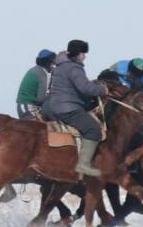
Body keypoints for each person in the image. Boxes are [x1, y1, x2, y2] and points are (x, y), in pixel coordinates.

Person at [43, 39, 108, 177]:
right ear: (77, 54)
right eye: (82, 53)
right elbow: (85, 88)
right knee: (93, 129)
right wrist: (103, 90)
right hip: (68, 108)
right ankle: (83, 165)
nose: (84, 56)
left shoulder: (60, 66)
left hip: (53, 106)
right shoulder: (74, 68)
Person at [15, 49, 56, 119]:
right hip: (28, 107)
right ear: (49, 62)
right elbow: (41, 99)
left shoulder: (36, 70)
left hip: (27, 106)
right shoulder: (42, 75)